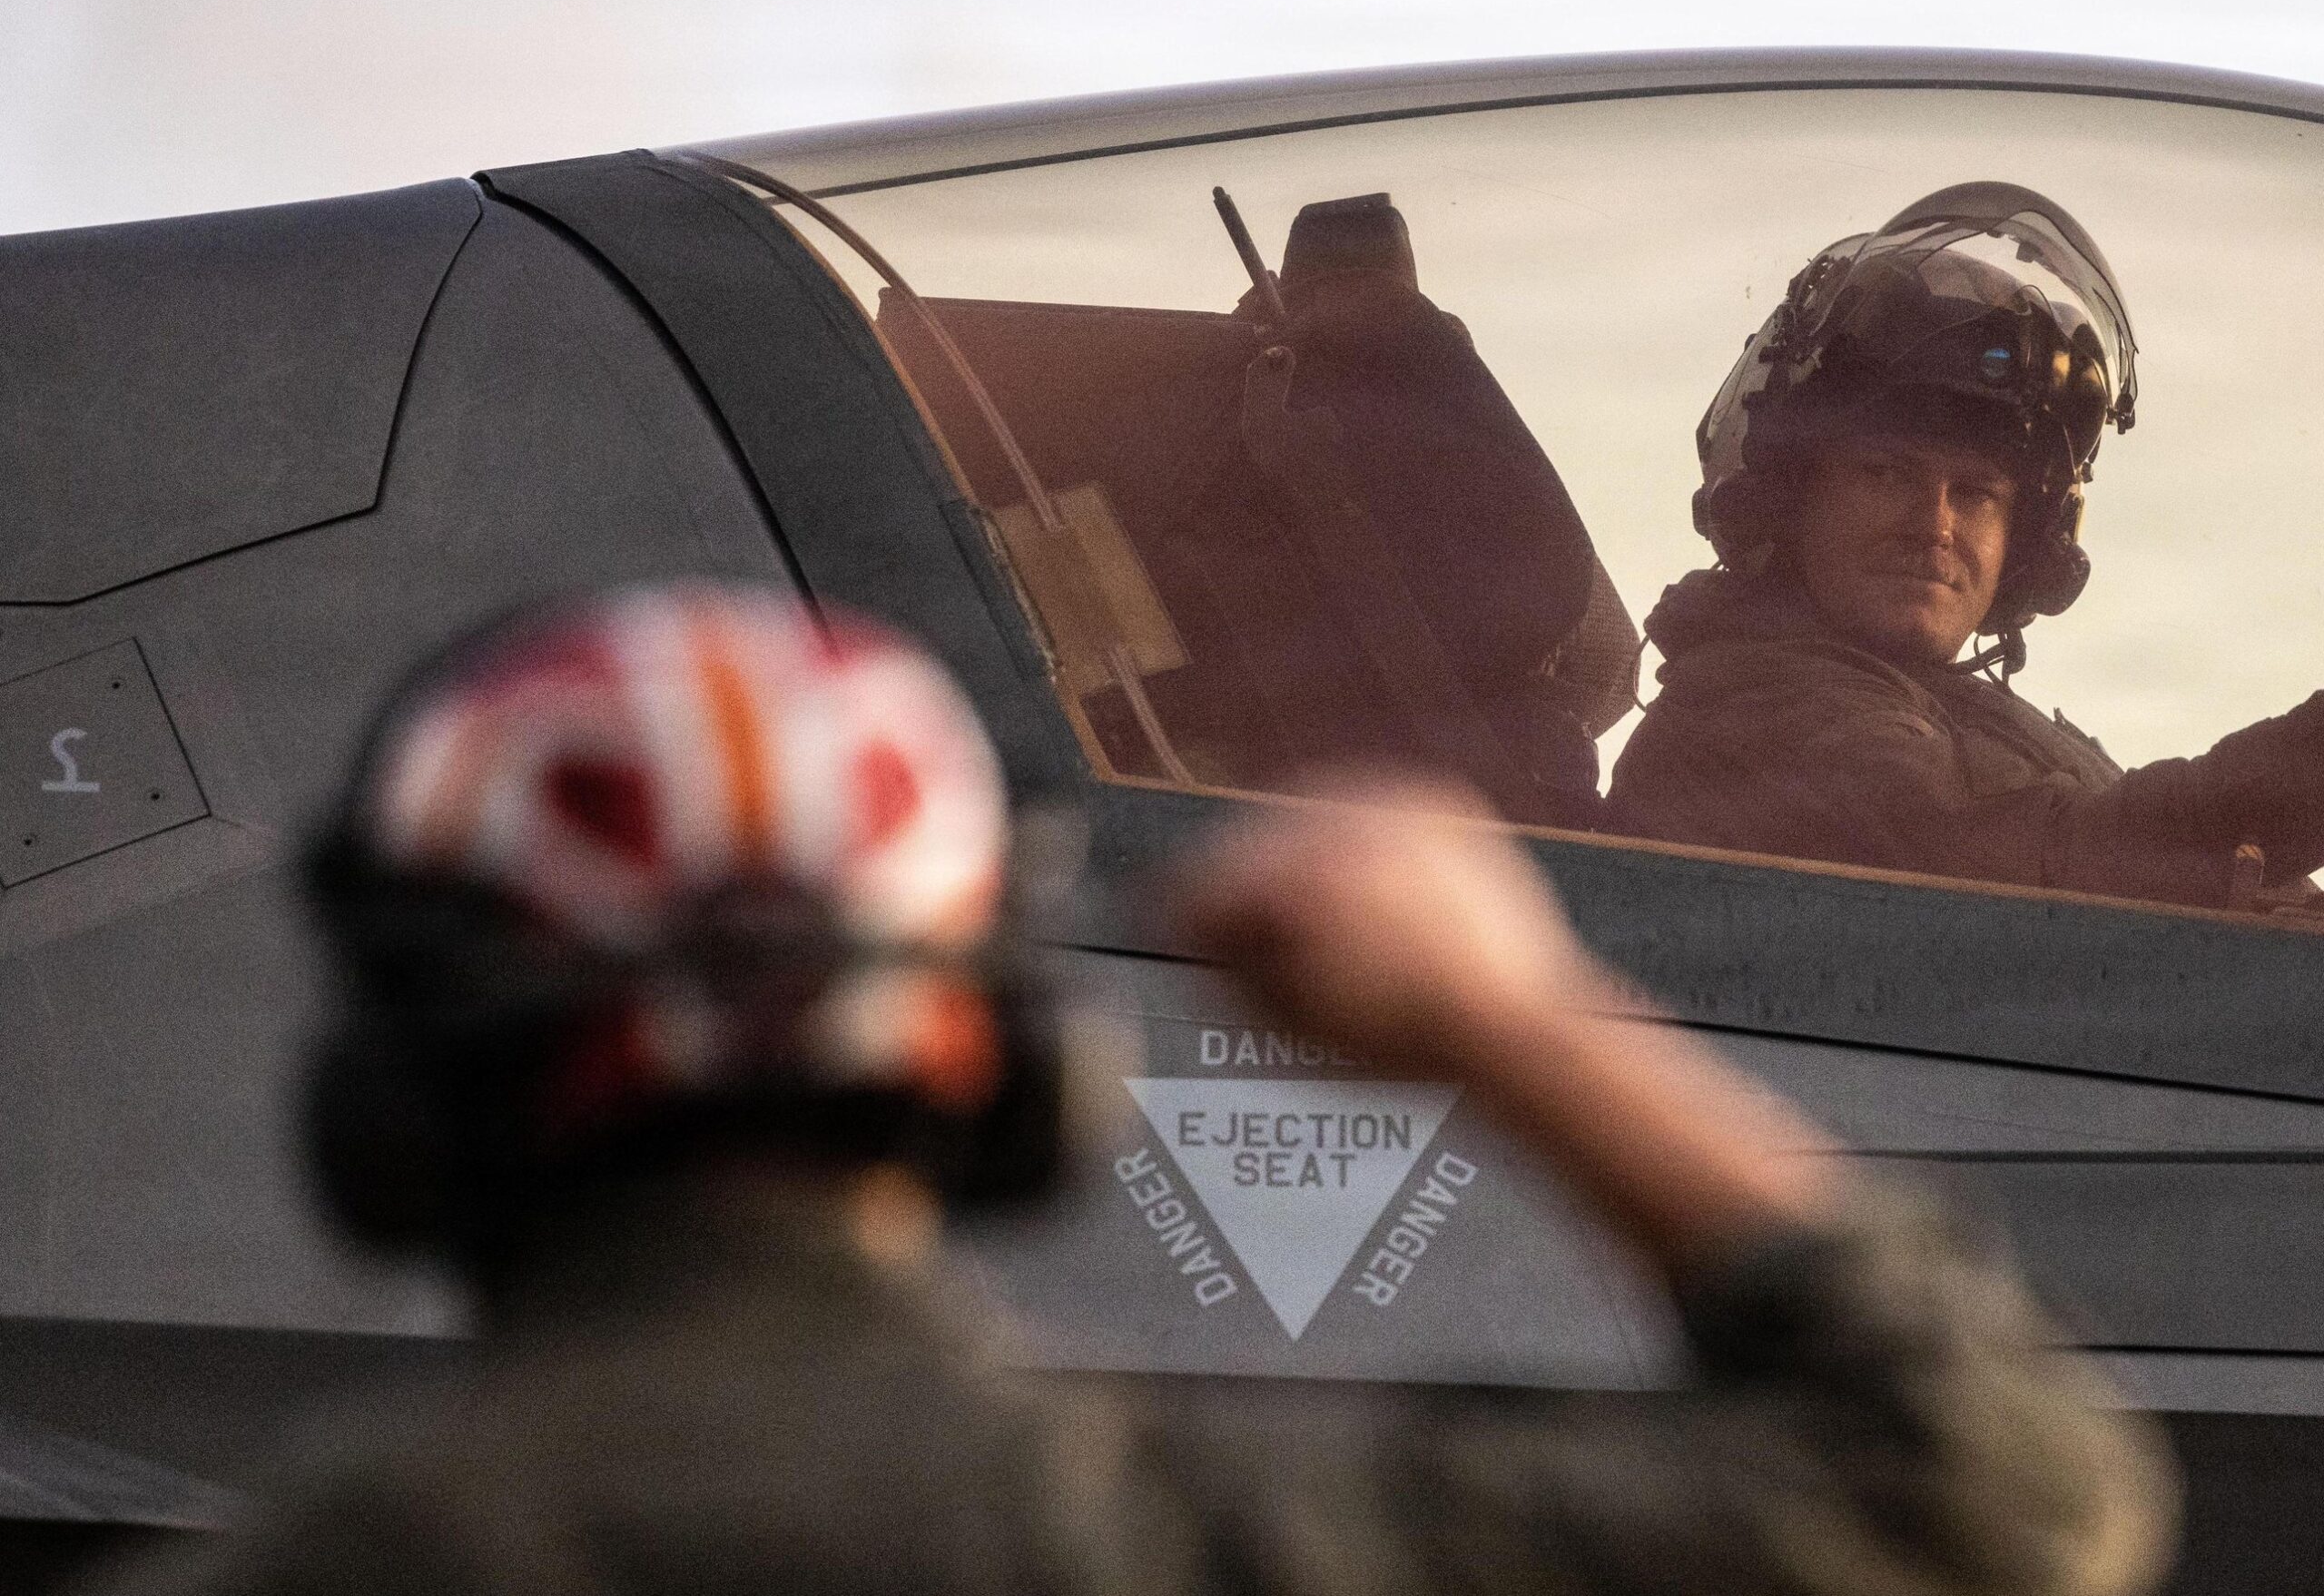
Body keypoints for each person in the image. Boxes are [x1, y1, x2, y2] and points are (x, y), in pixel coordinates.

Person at [99, 580, 2171, 1596]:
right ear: (994, 1071)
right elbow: (1984, 1494)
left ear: (395, 1094)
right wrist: (1507, 1010)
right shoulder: (1205, 1540)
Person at [1608, 182, 2324, 910]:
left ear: (2027, 539)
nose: (1936, 526)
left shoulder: (1952, 718)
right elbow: (2053, 863)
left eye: (1977, 493)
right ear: (1796, 496)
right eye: (1886, 472)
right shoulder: (1753, 711)